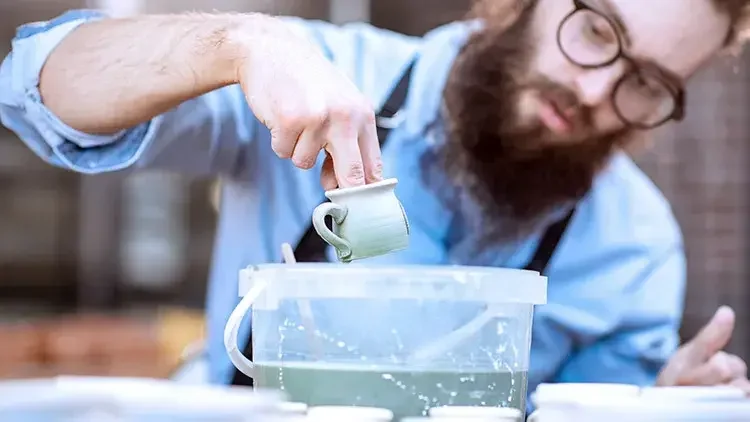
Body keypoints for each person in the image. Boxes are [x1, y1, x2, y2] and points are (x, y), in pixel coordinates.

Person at [1, 0, 749, 408]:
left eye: (646, 82)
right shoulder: (328, 68)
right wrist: (236, 44)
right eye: (596, 29)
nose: (595, 92)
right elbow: (31, 87)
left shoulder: (636, 248)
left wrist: (652, 409)